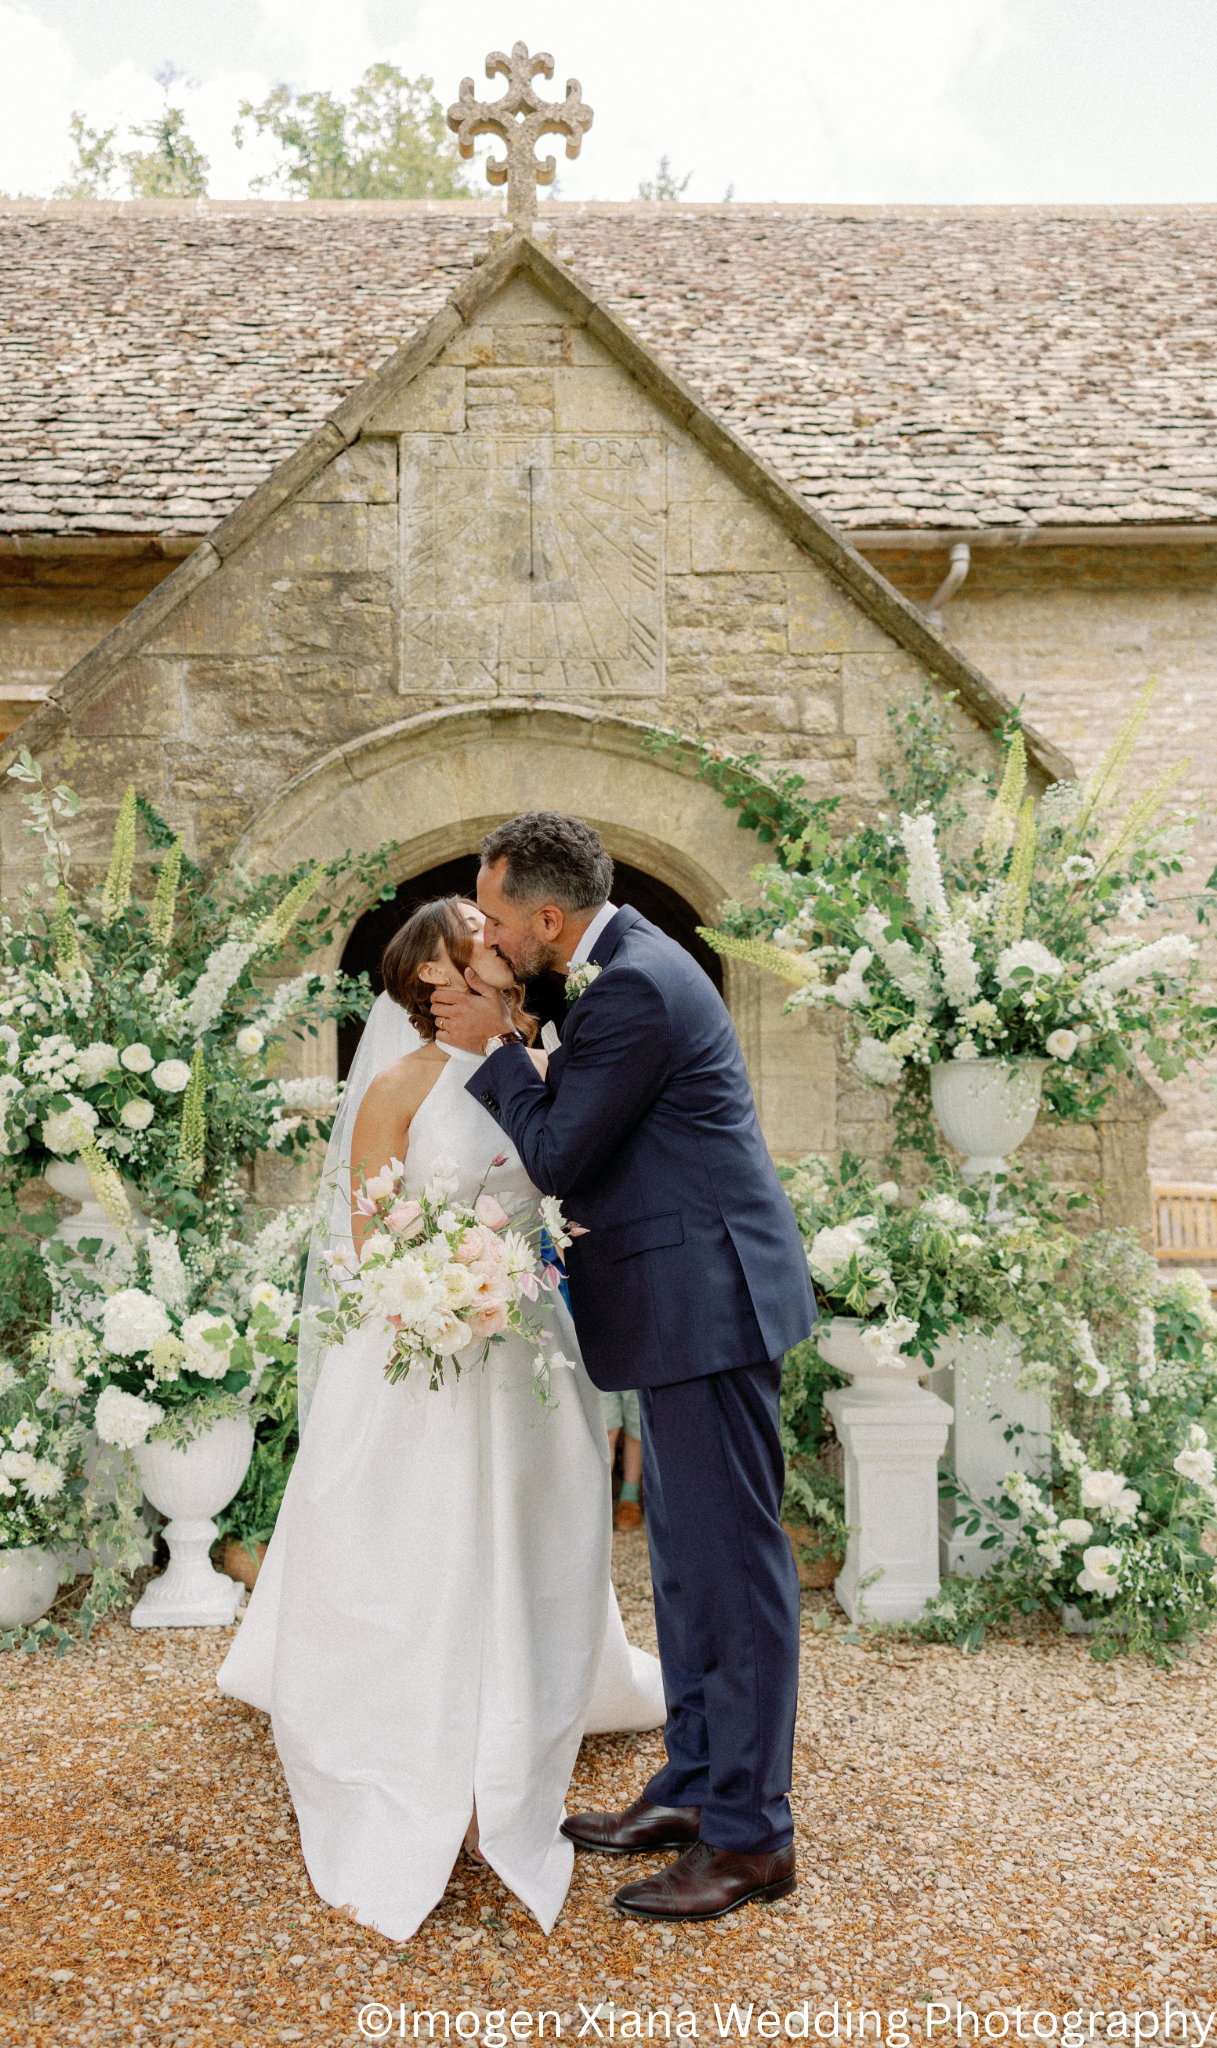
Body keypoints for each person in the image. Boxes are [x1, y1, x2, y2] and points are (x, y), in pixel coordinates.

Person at [216, 896, 664, 1945]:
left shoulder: (549, 1070)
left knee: (534, 1535)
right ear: (433, 985)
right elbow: (369, 1243)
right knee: (419, 1546)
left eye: (494, 955)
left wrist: (521, 1274)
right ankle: (421, 1749)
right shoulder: (397, 1089)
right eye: (469, 958)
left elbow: (575, 1198)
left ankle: (521, 1723)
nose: (496, 958)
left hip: (529, 1347)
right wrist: (444, 1291)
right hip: (423, 1349)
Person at [428, 814, 817, 1925]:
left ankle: (752, 1838)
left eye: (500, 920)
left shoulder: (638, 985)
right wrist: (523, 1017)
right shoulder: (617, 963)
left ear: (550, 918)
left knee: (732, 1574)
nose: (491, 940)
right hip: (680, 1299)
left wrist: (495, 1043)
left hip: (711, 1304)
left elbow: (558, 1151)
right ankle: (696, 1786)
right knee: (689, 1568)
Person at [603, 1389, 644, 1529]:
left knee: (636, 1430)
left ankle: (629, 1498)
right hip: (600, 1371)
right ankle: (599, 1502)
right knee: (604, 1430)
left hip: (638, 1371)